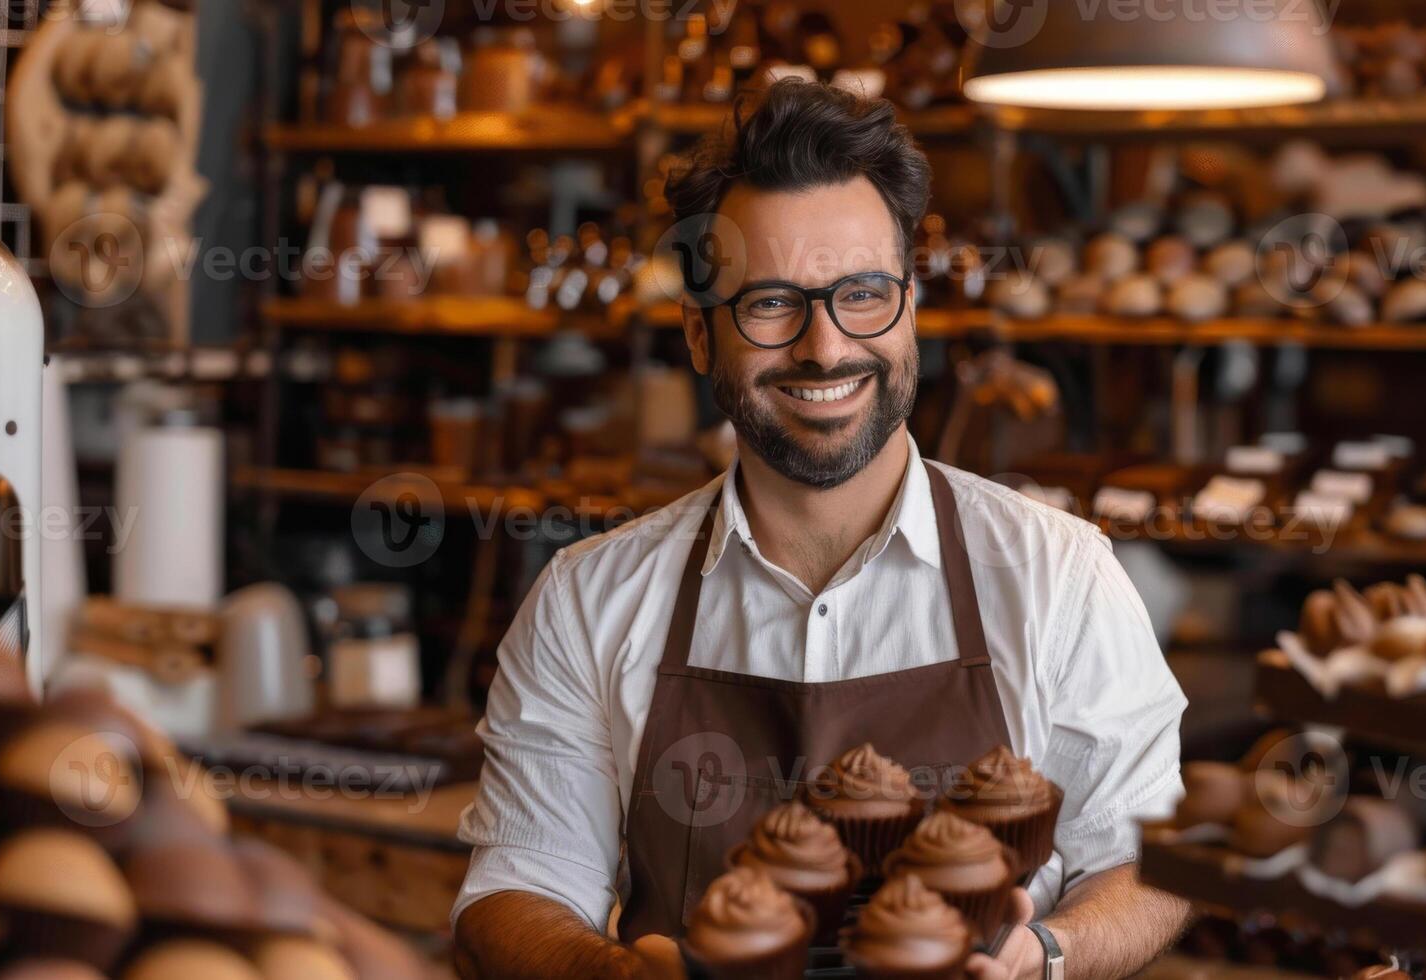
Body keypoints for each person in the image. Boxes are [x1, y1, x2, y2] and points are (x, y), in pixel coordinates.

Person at [452, 80, 1191, 980]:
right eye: (770, 303)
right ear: (697, 334)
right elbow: (517, 887)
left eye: (864, 293)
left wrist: (1045, 955)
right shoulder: (587, 598)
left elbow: (1148, 861)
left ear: (912, 309)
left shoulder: (1059, 575)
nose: (826, 347)